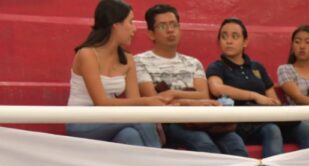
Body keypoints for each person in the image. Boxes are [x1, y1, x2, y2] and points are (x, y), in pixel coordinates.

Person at [206, 17, 309, 166]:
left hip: (266, 116)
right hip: (242, 123)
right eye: (224, 37)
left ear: (245, 42)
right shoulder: (217, 67)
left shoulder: (257, 67)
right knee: (272, 129)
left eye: (235, 36)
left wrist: (273, 104)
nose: (229, 41)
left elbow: (272, 97)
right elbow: (215, 88)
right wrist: (254, 96)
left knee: (307, 129)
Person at [134, 4, 248, 157]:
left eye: (174, 25)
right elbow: (157, 101)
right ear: (151, 34)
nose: (170, 30)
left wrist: (174, 94)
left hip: (202, 119)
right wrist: (190, 101)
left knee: (236, 145)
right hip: (171, 123)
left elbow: (203, 95)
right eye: (162, 26)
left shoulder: (193, 63)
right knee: (204, 144)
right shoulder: (140, 62)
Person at [66, 0, 165, 147]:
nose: (135, 29)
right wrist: (146, 102)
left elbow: (134, 101)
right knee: (140, 118)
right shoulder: (87, 54)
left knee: (130, 136)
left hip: (110, 119)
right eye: (131, 22)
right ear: (116, 25)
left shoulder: (128, 59)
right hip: (81, 121)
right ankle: (161, 164)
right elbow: (101, 102)